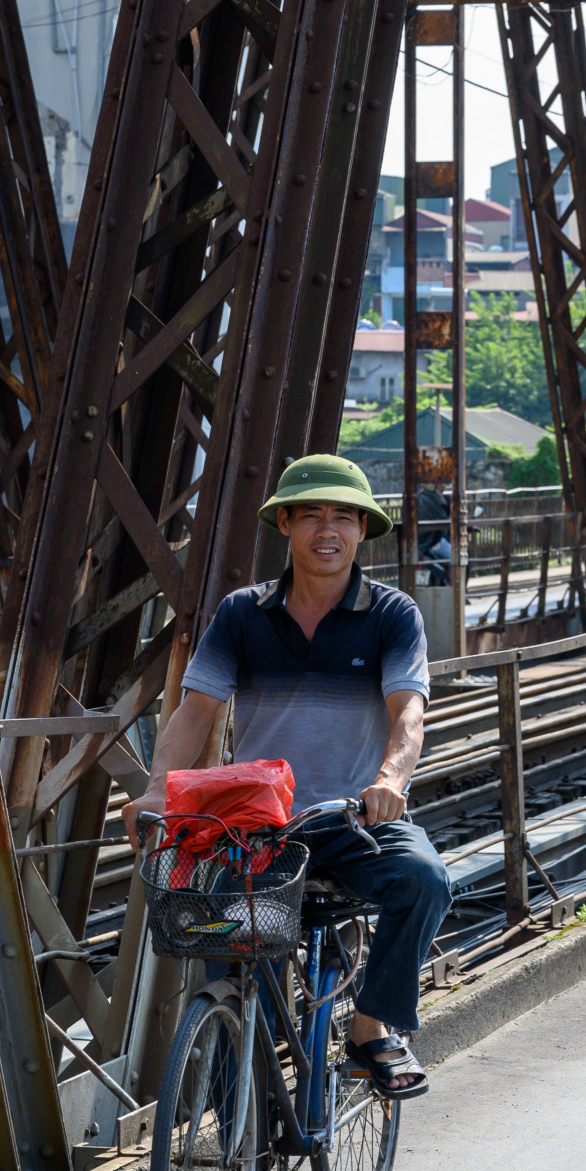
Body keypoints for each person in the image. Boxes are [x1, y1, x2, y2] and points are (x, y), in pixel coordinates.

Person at [124, 453, 451, 1099]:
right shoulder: (243, 614)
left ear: (361, 530)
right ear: (284, 526)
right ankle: (231, 1170)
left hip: (351, 820)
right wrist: (160, 785)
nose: (325, 530)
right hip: (254, 828)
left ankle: (369, 1027)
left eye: (341, 517)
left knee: (424, 880)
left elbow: (406, 713)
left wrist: (389, 779)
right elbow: (195, 712)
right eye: (309, 515)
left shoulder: (391, 614)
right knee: (231, 983)